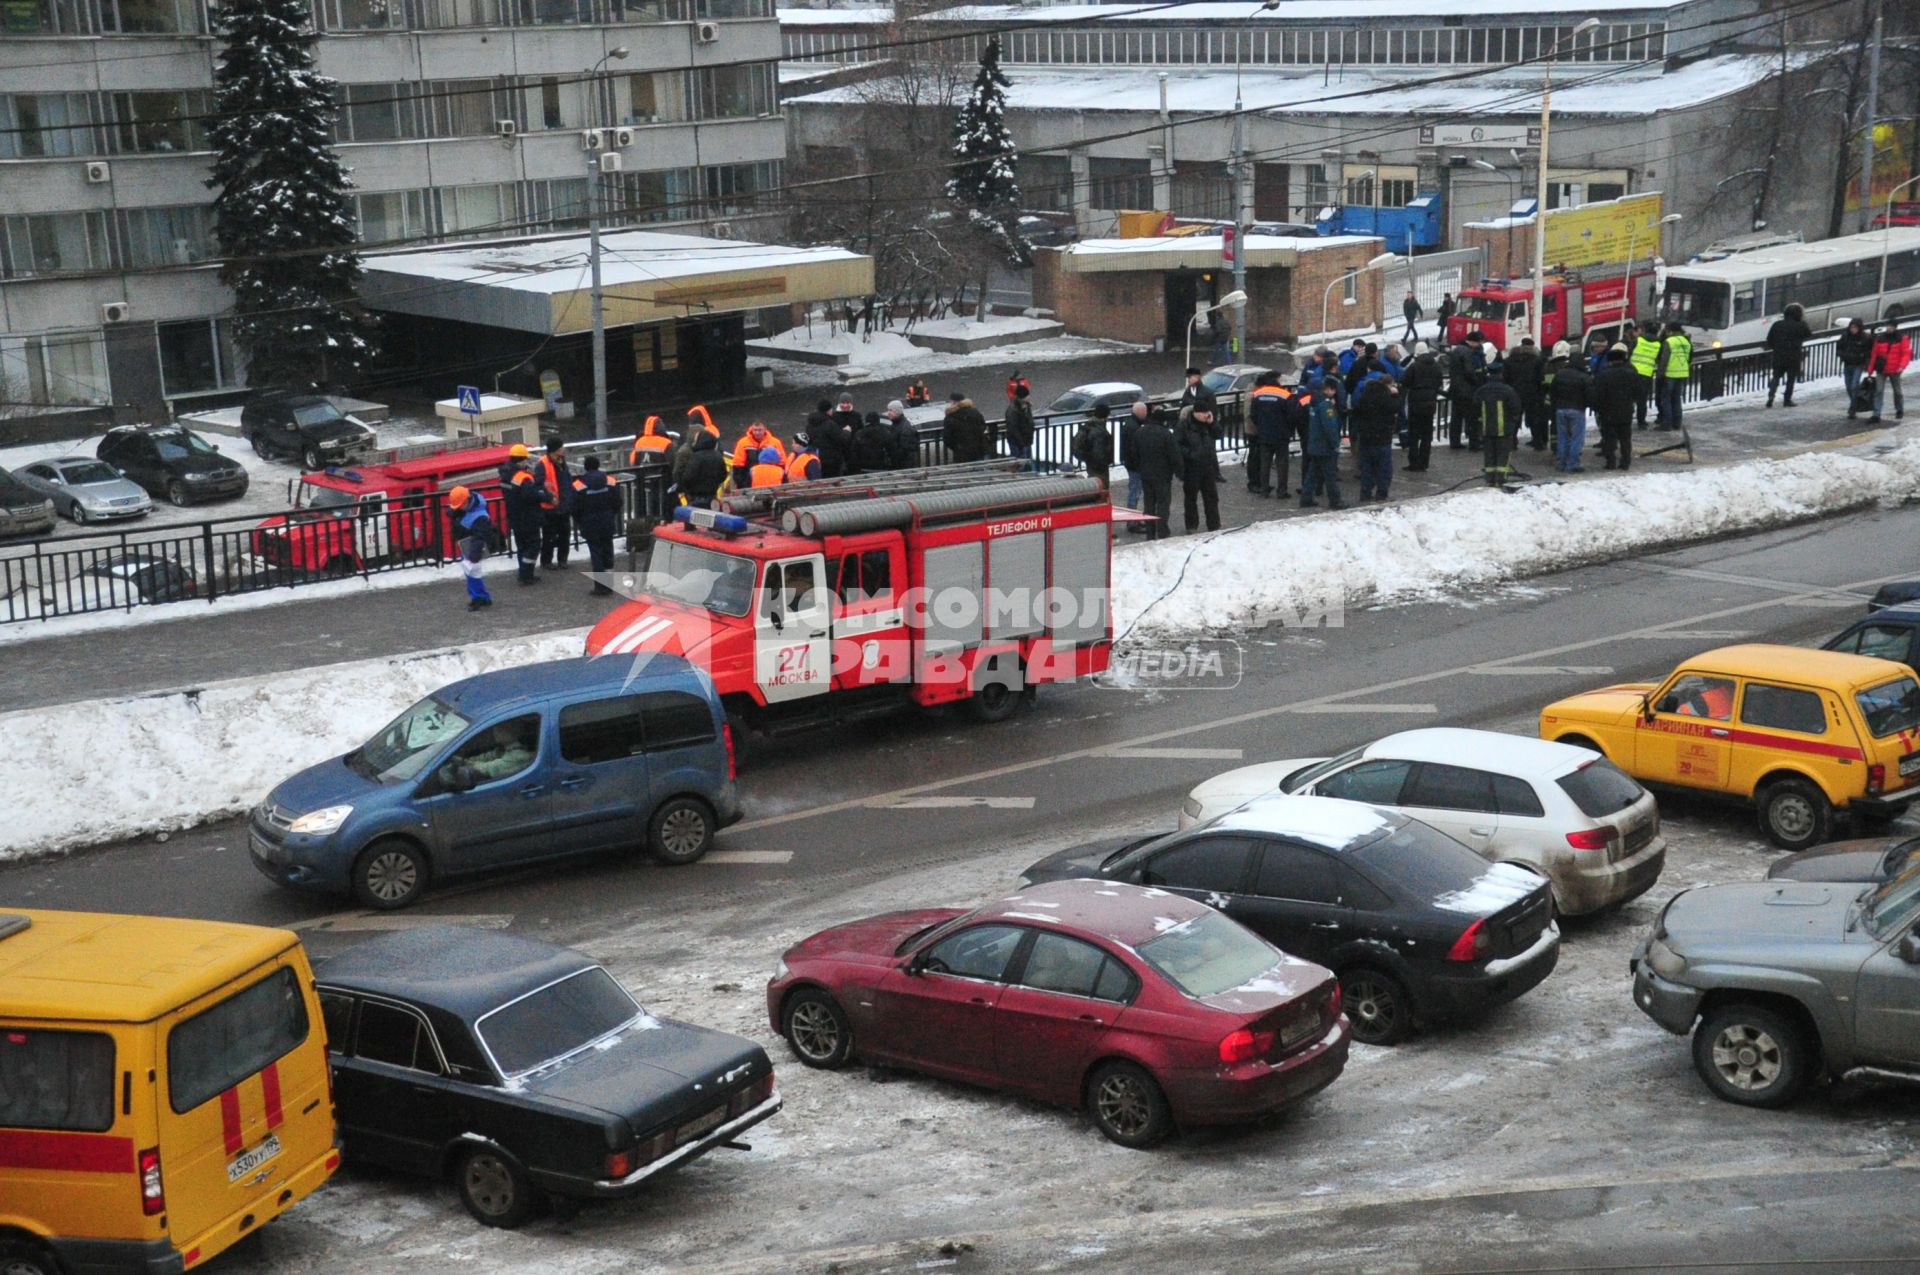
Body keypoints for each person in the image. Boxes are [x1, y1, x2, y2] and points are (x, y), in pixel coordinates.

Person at [569, 456, 619, 595]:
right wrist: (610, 514)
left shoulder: (578, 484)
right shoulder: (610, 480)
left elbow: (574, 507)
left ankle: (600, 587)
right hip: (607, 520)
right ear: (598, 466)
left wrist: (580, 521)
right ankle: (609, 585)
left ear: (585, 467)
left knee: (596, 553)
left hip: (589, 523)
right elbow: (617, 502)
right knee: (608, 551)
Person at [498, 443, 544, 586]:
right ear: (521, 459)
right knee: (534, 544)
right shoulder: (522, 477)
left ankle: (524, 573)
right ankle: (526, 574)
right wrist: (546, 496)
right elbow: (532, 495)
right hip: (527, 516)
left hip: (514, 515)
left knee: (522, 546)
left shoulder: (505, 474)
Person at [1133, 406, 1181, 540]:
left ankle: (1150, 532)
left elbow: (1134, 454)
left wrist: (1139, 468)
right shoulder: (1166, 434)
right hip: (1163, 475)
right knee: (1163, 504)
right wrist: (1179, 472)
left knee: (1149, 503)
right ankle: (1162, 530)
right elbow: (1174, 456)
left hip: (1146, 474)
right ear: (1163, 421)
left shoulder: (1140, 432)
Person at [1350, 371, 1399, 502]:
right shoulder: (1386, 397)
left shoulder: (1365, 395)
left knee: (1367, 468)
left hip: (1366, 437)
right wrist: (1394, 395)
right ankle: (1381, 494)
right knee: (1384, 468)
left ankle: (1365, 493)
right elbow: (1395, 408)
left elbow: (1357, 409)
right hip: (1382, 437)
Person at [1590, 343, 1639, 471]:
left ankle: (1610, 462)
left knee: (1609, 438)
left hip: (1608, 411)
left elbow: (1598, 394)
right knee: (1625, 438)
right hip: (1626, 410)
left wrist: (1598, 408)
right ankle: (1625, 462)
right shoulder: (1632, 372)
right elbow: (1638, 391)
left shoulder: (1604, 374)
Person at [446, 485, 494, 611]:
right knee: (471, 573)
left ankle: (479, 598)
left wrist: (474, 554)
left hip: (471, 546)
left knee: (472, 573)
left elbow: (479, 537)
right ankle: (480, 596)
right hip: (468, 543)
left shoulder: (480, 517)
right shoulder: (472, 506)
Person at [1246, 372, 1294, 497]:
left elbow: (1253, 415)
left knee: (1265, 462)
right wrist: (1288, 429)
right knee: (1282, 463)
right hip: (1281, 435)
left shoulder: (1258, 394)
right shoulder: (1285, 395)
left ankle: (1264, 490)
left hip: (1264, 434)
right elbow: (1291, 416)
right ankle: (1282, 491)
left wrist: (1261, 426)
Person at [1177, 403, 1222, 533]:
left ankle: (1214, 524)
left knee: (1211, 497)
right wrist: (1191, 454)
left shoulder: (1208, 423)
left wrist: (1213, 423)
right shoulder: (1184, 425)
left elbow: (1218, 434)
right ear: (1195, 413)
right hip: (1191, 468)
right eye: (1203, 412)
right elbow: (1177, 445)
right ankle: (1191, 525)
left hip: (1208, 466)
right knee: (1191, 498)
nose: (1206, 415)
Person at [1547, 339, 1591, 473]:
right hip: (1577, 409)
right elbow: (1588, 394)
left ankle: (1561, 463)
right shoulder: (1583, 376)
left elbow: (1552, 391)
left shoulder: (1560, 374)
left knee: (1563, 437)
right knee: (1576, 438)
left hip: (1560, 409)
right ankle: (1572, 464)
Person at [1300, 378, 1345, 510]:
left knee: (1313, 473)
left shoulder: (1314, 401)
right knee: (1330, 475)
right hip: (1325, 446)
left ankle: (1306, 498)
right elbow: (1330, 426)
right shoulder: (1325, 404)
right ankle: (1335, 500)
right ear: (1329, 389)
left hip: (1315, 444)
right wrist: (1335, 443)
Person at [1475, 369, 1523, 487]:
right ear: (1501, 375)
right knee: (1502, 454)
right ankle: (1500, 479)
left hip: (1487, 428)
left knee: (1489, 453)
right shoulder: (1508, 390)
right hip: (1504, 429)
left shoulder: (1482, 390)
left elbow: (1475, 406)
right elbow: (1516, 407)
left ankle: (1490, 478)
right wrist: (1513, 420)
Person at [1400, 341, 1444, 472]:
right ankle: (1424, 462)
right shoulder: (1436, 366)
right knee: (1426, 435)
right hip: (1430, 402)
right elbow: (1439, 382)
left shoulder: (1414, 366)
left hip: (1416, 402)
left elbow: (1405, 381)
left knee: (1414, 434)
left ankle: (1414, 462)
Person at [1765, 303, 1812, 407]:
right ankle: (1787, 399)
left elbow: (1769, 340)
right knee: (1791, 379)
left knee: (1776, 376)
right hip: (1793, 356)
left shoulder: (1777, 325)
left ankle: (1771, 395)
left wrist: (1777, 347)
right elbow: (1808, 334)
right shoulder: (1800, 325)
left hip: (1778, 355)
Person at [536, 435, 572, 570]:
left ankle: (562, 560)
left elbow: (566, 482)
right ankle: (547, 561)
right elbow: (539, 485)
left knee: (564, 534)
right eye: (561, 447)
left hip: (562, 505)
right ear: (555, 449)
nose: (563, 449)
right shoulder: (543, 464)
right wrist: (550, 498)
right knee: (549, 536)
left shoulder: (562, 462)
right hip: (549, 507)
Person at [1446, 331, 1487, 448]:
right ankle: (1474, 443)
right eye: (1479, 342)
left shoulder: (1456, 350)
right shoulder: (1468, 352)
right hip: (1467, 390)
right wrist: (1476, 382)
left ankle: (1454, 442)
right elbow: (1469, 371)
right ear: (1474, 342)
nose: (1480, 345)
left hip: (1455, 389)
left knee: (1456, 418)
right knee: (1472, 417)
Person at [462, 720, 536, 782]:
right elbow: (489, 756)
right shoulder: (505, 748)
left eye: (499, 730)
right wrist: (466, 760)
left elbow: (491, 768)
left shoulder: (519, 755)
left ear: (509, 733)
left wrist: (468, 764)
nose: (494, 733)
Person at [1868, 321, 1912, 423]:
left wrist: (1901, 366)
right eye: (1888, 326)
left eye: (1891, 326)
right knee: (1879, 390)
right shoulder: (1881, 338)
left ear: (1895, 327)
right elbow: (1874, 354)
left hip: (1894, 369)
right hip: (1882, 368)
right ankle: (1876, 413)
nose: (1889, 328)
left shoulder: (1901, 338)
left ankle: (1899, 409)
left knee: (1897, 391)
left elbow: (1906, 354)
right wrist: (1871, 368)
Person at [676, 427, 729, 507]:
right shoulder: (718, 456)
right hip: (713, 494)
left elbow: (688, 476)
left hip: (697, 495)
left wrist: (686, 488)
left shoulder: (697, 457)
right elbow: (723, 474)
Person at [1627, 321, 1663, 431]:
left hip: (1632, 373)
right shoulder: (1659, 344)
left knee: (1628, 398)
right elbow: (1659, 359)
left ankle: (1627, 419)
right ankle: (1641, 423)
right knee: (1642, 400)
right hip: (1646, 374)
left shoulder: (1638, 340)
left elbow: (1629, 353)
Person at [1656, 322, 1692, 432]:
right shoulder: (1686, 341)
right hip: (1682, 373)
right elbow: (1689, 358)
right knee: (1677, 398)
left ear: (1670, 331)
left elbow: (1664, 360)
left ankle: (1666, 423)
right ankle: (1677, 423)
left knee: (1666, 399)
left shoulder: (1669, 341)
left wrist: (1660, 374)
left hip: (1670, 373)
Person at [729, 422, 785, 489]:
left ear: (765, 430)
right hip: (749, 478)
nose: (757, 433)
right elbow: (738, 463)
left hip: (771, 477)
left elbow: (782, 462)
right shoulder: (743, 443)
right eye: (755, 430)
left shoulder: (775, 442)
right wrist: (741, 484)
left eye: (759, 430)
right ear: (752, 430)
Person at [1839, 318, 1874, 420]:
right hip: (1848, 363)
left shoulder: (1865, 338)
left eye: (1855, 328)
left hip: (1858, 364)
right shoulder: (1845, 336)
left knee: (1854, 385)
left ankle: (1853, 408)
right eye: (1852, 327)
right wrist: (1843, 355)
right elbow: (1839, 347)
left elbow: (1870, 350)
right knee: (1849, 386)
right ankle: (1855, 403)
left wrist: (1863, 356)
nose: (1853, 330)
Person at [1071, 406, 1113, 490]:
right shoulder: (1099, 432)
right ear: (1105, 417)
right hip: (1099, 466)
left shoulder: (1088, 426)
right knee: (1101, 486)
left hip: (1090, 462)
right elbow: (1099, 452)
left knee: (1093, 484)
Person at [1119, 400, 1147, 527]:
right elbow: (1134, 449)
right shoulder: (1134, 428)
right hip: (1135, 466)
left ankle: (1133, 519)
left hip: (1131, 464)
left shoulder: (1130, 424)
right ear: (1141, 412)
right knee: (1134, 492)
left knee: (1134, 491)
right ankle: (1132, 521)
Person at [943, 391, 990, 463]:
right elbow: (982, 426)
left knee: (964, 472)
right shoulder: (974, 412)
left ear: (953, 402)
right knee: (979, 469)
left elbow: (947, 437)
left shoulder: (951, 416)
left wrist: (956, 447)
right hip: (978, 448)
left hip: (961, 451)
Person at [823, 396, 861, 477]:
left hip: (853, 449)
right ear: (839, 403)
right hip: (839, 449)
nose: (845, 405)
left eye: (847, 403)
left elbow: (860, 430)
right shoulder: (834, 416)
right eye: (843, 403)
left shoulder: (857, 415)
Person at [1003, 383, 1036, 469]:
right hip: (1018, 443)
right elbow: (1013, 428)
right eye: (1027, 395)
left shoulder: (1026, 407)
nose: (1029, 397)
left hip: (1026, 441)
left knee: (1027, 464)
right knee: (1020, 465)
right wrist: (1021, 443)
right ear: (1023, 397)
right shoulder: (1013, 410)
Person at [885, 400, 919, 469]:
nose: (888, 413)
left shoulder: (904, 427)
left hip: (903, 465)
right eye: (888, 410)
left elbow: (904, 450)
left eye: (891, 410)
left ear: (897, 411)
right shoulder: (897, 424)